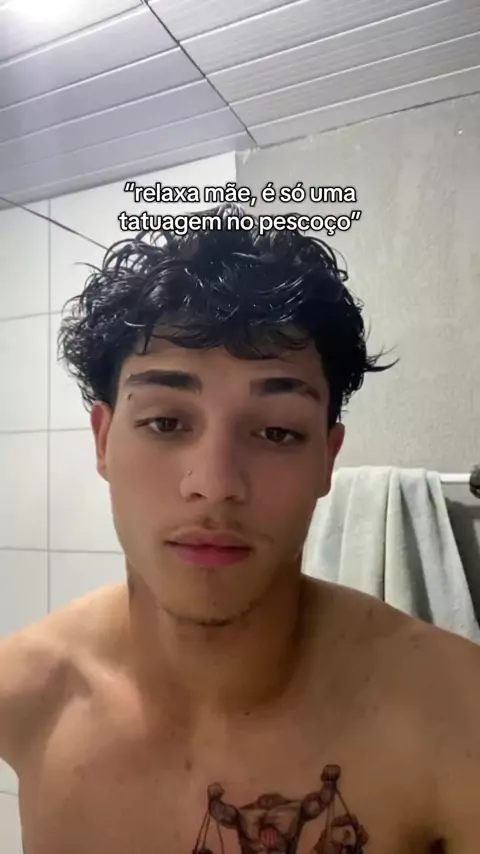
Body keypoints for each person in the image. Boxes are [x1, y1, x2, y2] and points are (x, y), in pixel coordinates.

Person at [0, 203, 479, 854]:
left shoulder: (455, 712)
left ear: (327, 459)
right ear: (104, 441)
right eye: (166, 422)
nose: (216, 482)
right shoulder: (25, 691)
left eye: (277, 432)